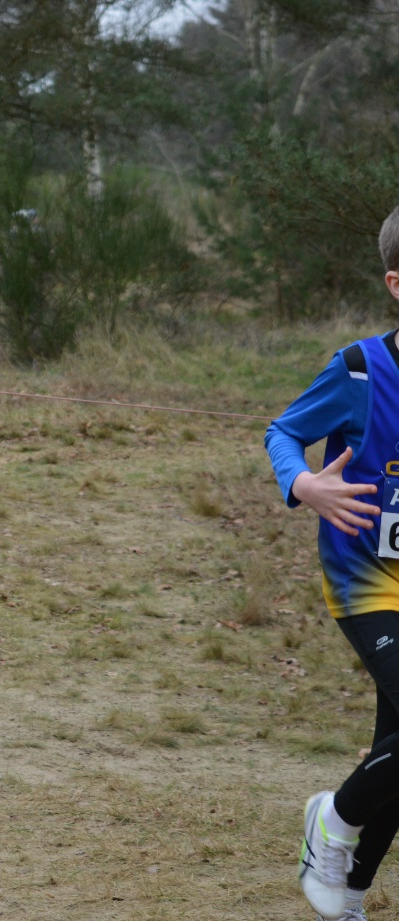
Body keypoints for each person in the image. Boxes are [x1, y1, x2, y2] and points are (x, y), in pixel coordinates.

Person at [265, 204, 399, 921]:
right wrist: (303, 482)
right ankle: (334, 821)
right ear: (396, 282)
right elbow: (284, 431)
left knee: (395, 746)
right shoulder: (358, 370)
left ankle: (347, 894)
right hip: (365, 579)